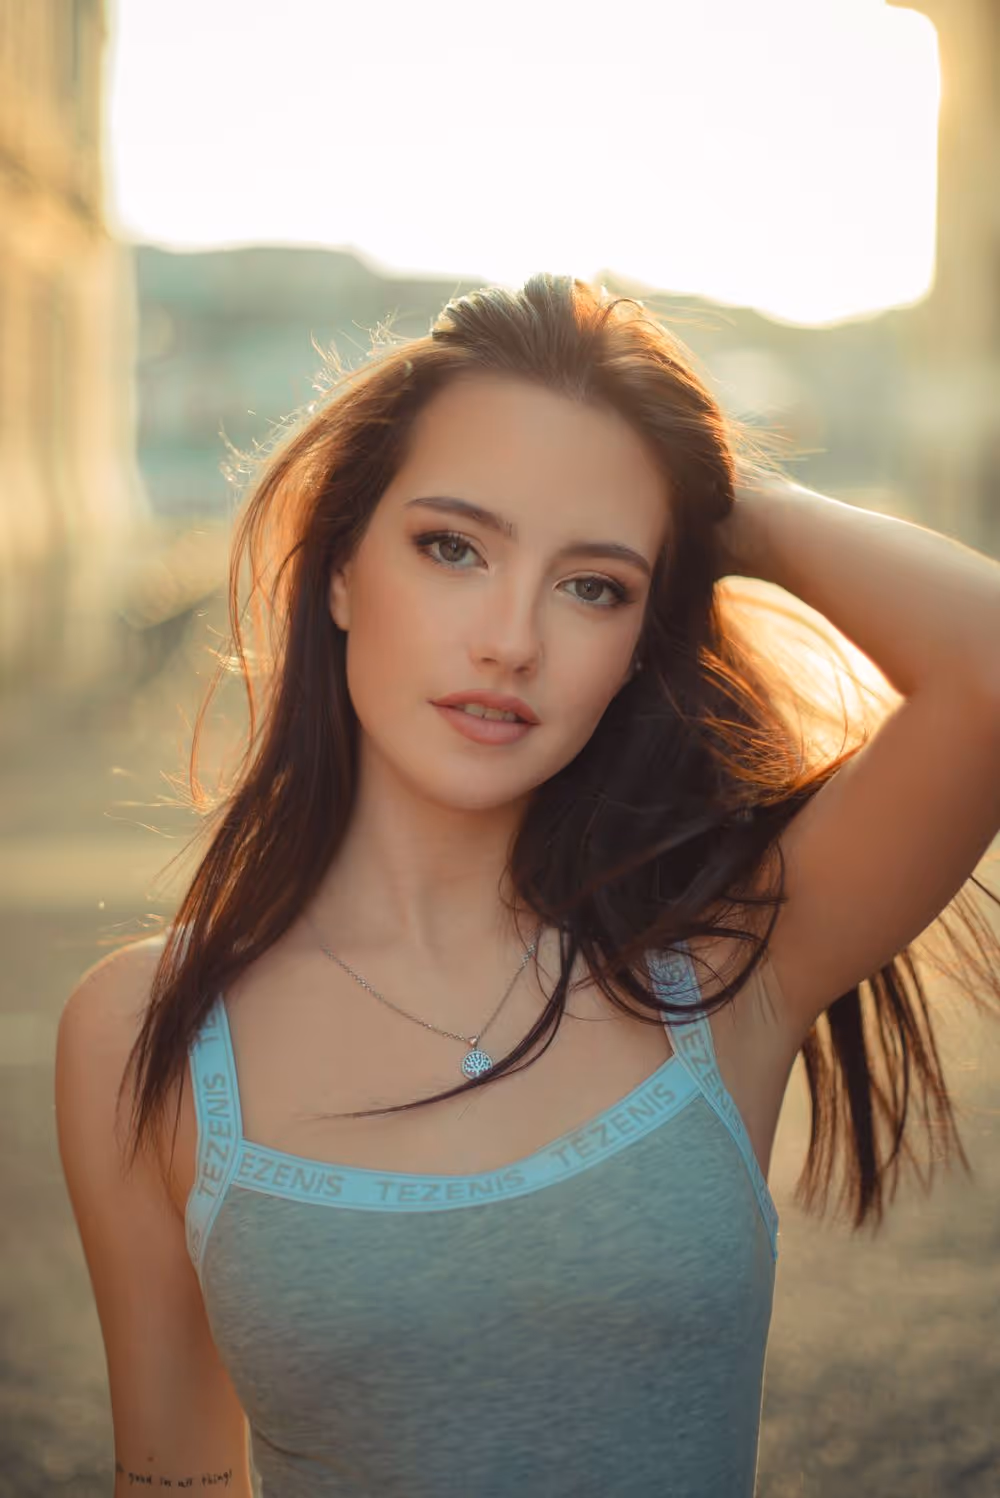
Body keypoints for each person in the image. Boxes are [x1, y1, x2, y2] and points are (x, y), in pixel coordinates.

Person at [54, 274, 1000, 1497]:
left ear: (642, 636)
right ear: (339, 570)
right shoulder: (149, 1032)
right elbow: (171, 1479)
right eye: (452, 547)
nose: (511, 638)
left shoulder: (725, 963)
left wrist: (716, 504)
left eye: (593, 584)